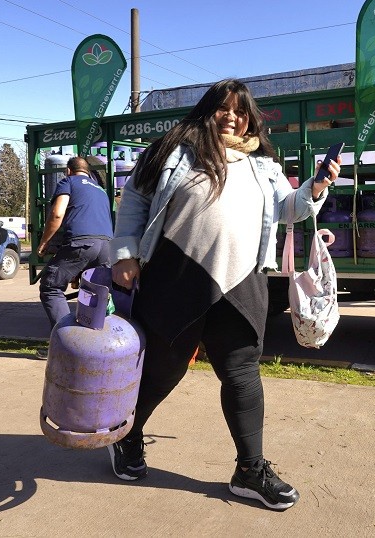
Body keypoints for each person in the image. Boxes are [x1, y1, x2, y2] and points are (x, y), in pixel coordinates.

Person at [108, 78, 340, 511]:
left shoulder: (263, 162)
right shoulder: (171, 150)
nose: (232, 116)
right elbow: (134, 200)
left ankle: (249, 471)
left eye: (241, 110)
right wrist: (124, 253)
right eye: (223, 107)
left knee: (242, 373)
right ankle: (126, 435)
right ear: (207, 110)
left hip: (243, 279)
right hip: (176, 275)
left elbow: (288, 209)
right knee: (164, 370)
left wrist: (316, 187)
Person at [36, 155, 114, 336]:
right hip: (106, 246)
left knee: (51, 286)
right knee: (94, 294)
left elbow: (57, 214)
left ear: (68, 170)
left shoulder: (69, 181)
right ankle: (94, 342)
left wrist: (45, 241)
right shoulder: (101, 191)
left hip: (82, 242)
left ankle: (67, 341)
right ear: (88, 172)